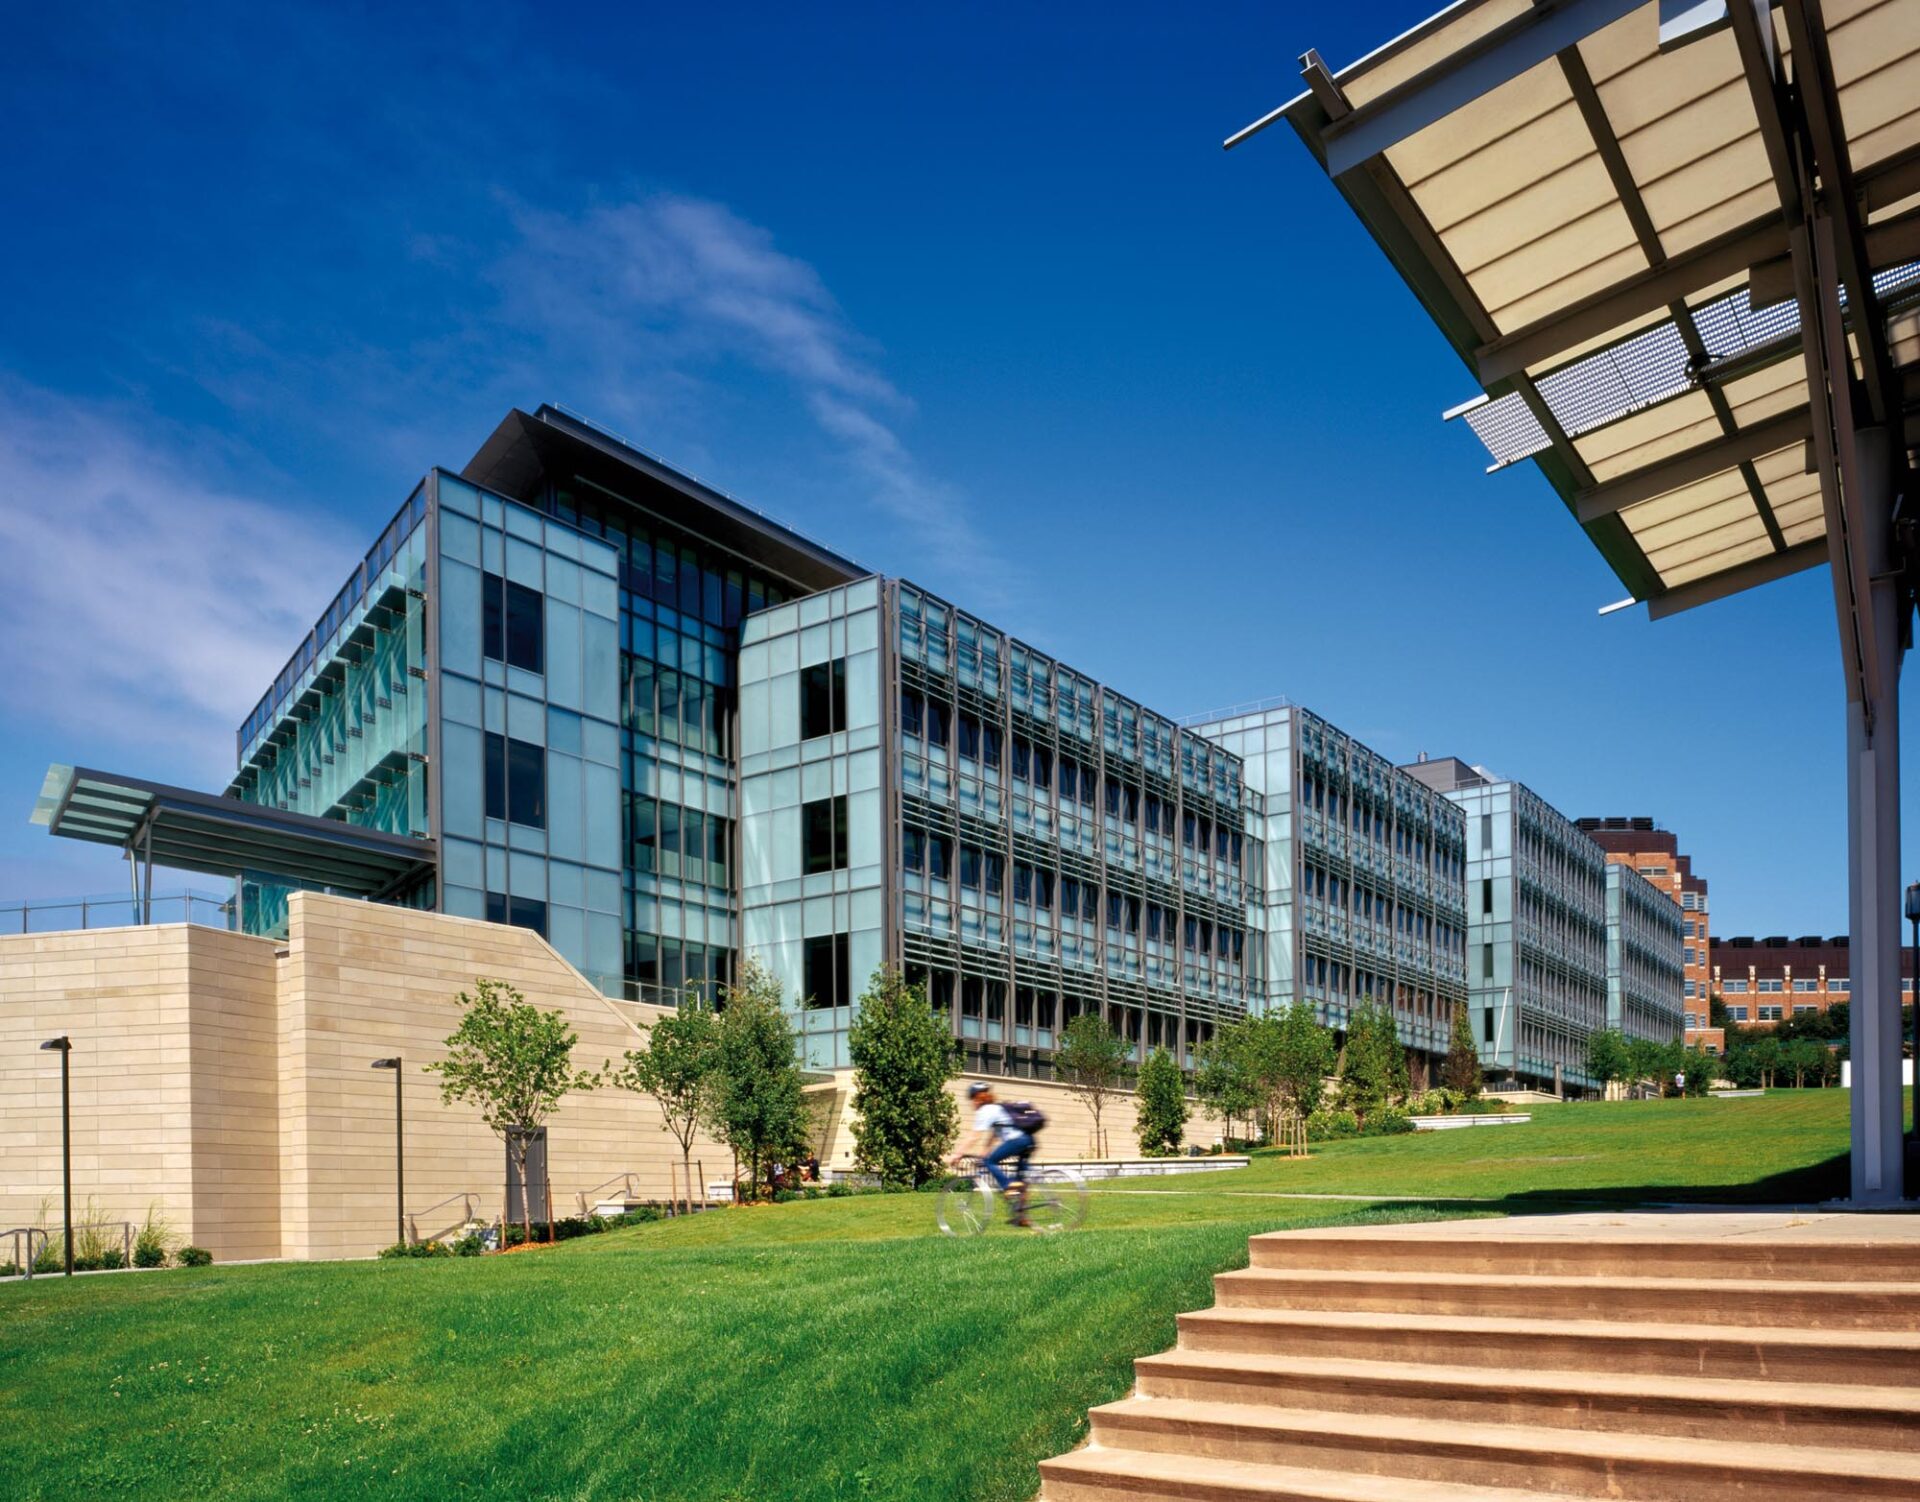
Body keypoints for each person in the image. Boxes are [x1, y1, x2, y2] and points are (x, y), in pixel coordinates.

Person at [950, 1081, 1034, 1228]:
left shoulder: (985, 1110)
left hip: (1016, 1141)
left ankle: (1008, 1187)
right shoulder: (997, 1108)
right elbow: (995, 1134)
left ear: (977, 1098)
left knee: (993, 1165)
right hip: (1028, 1140)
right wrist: (985, 1151)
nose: (972, 1104)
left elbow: (974, 1136)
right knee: (1020, 1182)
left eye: (972, 1100)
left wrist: (958, 1154)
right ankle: (1022, 1216)